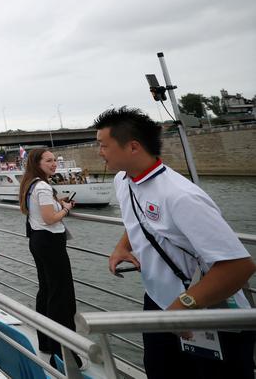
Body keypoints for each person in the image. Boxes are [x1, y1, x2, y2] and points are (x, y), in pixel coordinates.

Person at [97, 107, 256, 378]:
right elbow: (139, 218)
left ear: (133, 147)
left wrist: (182, 306)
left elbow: (239, 267)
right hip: (159, 303)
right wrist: (123, 246)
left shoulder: (181, 196)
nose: (99, 151)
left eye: (103, 145)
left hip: (204, 310)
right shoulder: (123, 181)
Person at [17, 147, 77, 362]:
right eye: (49, 161)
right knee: (62, 296)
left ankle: (47, 342)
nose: (54, 164)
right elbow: (50, 218)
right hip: (50, 242)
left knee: (47, 291)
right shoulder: (42, 186)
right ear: (37, 163)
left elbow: (41, 211)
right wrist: (66, 209)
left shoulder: (32, 184)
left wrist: (58, 202)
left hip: (39, 241)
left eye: (55, 160)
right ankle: (64, 352)